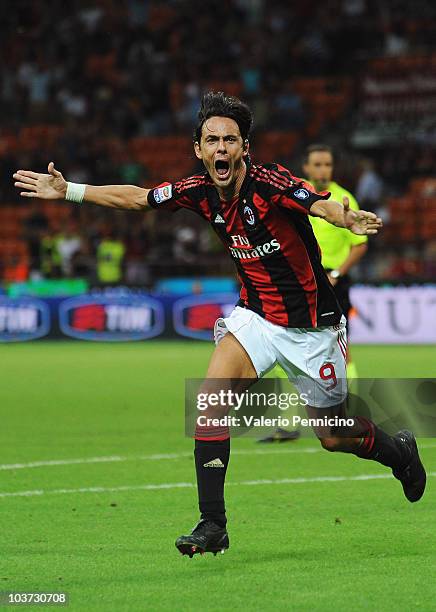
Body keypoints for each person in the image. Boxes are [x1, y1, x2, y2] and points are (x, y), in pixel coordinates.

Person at [13, 92, 426, 559]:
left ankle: (398, 452)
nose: (221, 148)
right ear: (199, 149)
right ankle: (214, 523)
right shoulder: (197, 191)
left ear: (244, 148)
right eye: (212, 140)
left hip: (312, 328)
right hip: (254, 318)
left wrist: (345, 217)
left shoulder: (271, 185)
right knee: (210, 402)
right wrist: (69, 190)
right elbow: (138, 199)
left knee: (333, 435)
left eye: (231, 139)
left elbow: (317, 204)